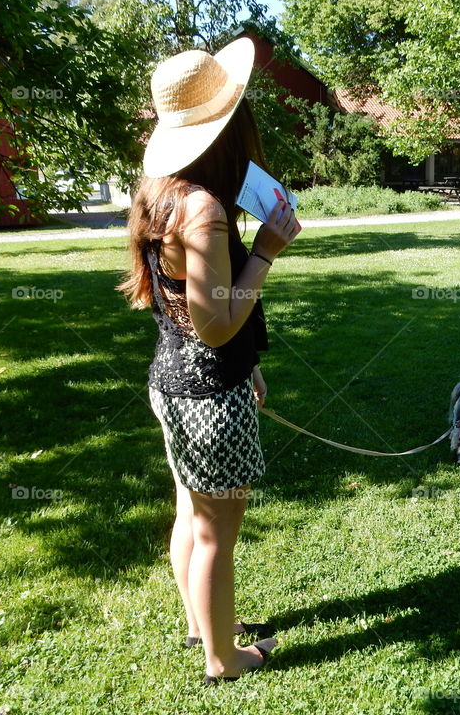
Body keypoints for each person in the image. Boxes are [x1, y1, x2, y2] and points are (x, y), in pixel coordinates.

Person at [116, 37, 299, 685]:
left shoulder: (162, 192)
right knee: (218, 530)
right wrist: (269, 248)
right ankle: (224, 658)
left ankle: (203, 624)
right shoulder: (203, 209)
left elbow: (191, 314)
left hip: (172, 382)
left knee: (191, 513)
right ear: (229, 128)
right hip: (206, 398)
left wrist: (247, 363)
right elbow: (219, 324)